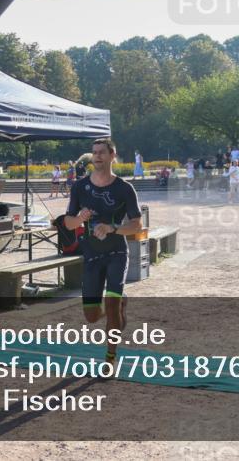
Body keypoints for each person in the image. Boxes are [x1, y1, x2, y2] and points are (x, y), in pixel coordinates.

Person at [63, 138, 143, 371]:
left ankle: (110, 359)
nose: (97, 156)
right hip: (91, 255)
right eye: (94, 152)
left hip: (116, 252)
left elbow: (136, 225)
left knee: (111, 303)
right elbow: (67, 223)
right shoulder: (80, 187)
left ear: (112, 155)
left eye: (101, 152)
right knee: (90, 315)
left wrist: (112, 228)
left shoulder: (124, 189)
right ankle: (119, 306)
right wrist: (80, 219)